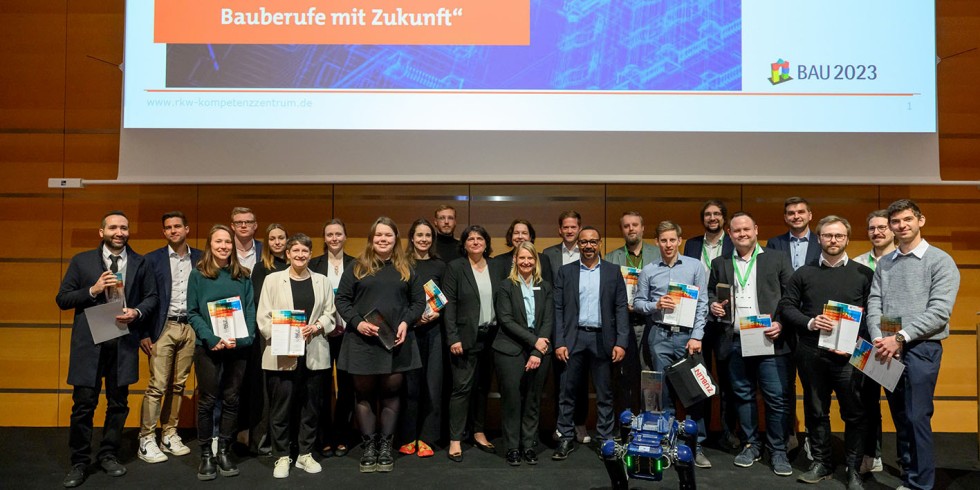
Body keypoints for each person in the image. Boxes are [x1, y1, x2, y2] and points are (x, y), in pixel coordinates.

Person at [57, 211, 158, 488]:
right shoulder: (82, 261)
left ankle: (109, 454)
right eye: (113, 227)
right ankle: (79, 462)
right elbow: (63, 299)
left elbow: (152, 297)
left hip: (123, 343)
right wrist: (93, 289)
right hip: (89, 345)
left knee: (118, 404)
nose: (119, 232)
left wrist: (136, 311)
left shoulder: (141, 262)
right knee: (83, 405)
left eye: (124, 228)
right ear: (101, 232)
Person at [867, 199, 960, 490]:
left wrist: (900, 338)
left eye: (907, 219)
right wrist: (878, 337)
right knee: (900, 417)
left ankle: (921, 484)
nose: (901, 225)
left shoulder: (940, 260)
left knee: (917, 416)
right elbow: (874, 302)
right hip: (886, 347)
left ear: (921, 220)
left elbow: (939, 312)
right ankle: (909, 476)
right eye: (895, 222)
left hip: (921, 349)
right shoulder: (886, 262)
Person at [777, 216, 872, 490]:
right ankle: (821, 463)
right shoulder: (803, 273)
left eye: (839, 236)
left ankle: (853, 470)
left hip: (848, 357)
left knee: (854, 413)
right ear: (819, 239)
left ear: (847, 239)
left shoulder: (863, 274)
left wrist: (858, 340)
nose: (833, 240)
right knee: (816, 411)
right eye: (828, 235)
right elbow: (786, 306)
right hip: (811, 355)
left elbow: (873, 313)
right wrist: (810, 321)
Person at [335, 217, 425, 473]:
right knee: (363, 395)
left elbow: (418, 302)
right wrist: (356, 323)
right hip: (361, 341)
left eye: (388, 235)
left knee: (391, 394)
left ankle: (386, 446)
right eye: (378, 236)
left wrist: (407, 322)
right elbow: (342, 300)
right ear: (371, 239)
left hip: (395, 341)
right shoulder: (357, 266)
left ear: (396, 239)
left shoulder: (406, 267)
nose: (383, 240)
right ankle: (369, 447)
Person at [707, 212, 794, 477]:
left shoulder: (777, 258)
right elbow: (713, 291)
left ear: (756, 229)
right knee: (742, 396)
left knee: (775, 398)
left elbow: (791, 297)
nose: (742, 234)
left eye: (746, 229)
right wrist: (713, 305)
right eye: (736, 230)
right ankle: (751, 444)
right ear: (729, 234)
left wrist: (781, 323)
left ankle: (777, 450)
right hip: (734, 339)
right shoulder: (720, 262)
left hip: (769, 339)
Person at [256, 233, 337, 478]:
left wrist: (317, 326)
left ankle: (305, 454)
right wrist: (284, 331)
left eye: (305, 251)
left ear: (310, 254)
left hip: (314, 352)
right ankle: (281, 456)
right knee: (281, 408)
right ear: (288, 254)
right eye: (296, 251)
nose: (300, 255)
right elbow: (263, 318)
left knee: (310, 407)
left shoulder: (322, 281)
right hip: (282, 353)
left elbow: (330, 314)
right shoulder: (272, 280)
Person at [633, 221, 711, 468]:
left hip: (688, 337)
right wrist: (655, 305)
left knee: (693, 393)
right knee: (663, 394)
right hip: (659, 336)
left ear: (679, 240)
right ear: (657, 242)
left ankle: (695, 446)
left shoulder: (695, 266)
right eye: (663, 240)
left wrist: (697, 336)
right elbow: (637, 303)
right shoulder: (648, 270)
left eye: (672, 240)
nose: (668, 245)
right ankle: (668, 445)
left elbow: (703, 304)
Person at [552, 226, 630, 460]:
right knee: (567, 392)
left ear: (599, 244)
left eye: (592, 242)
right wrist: (559, 341)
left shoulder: (612, 271)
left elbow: (620, 308)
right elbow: (558, 308)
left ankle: (605, 440)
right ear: (578, 244)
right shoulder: (565, 272)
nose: (587, 246)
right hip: (573, 339)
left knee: (605, 394)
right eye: (583, 242)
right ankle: (565, 437)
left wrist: (621, 342)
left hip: (602, 339)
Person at [187, 224, 257, 481]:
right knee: (207, 401)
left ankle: (224, 450)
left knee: (231, 399)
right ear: (210, 244)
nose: (224, 246)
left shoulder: (243, 275)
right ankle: (206, 454)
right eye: (218, 242)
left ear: (233, 245)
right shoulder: (199, 275)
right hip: (208, 347)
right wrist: (211, 338)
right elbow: (192, 312)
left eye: (227, 242)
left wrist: (245, 339)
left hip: (237, 348)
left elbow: (250, 310)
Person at [138, 211, 202, 465]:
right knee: (157, 385)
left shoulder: (201, 258)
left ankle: (169, 433)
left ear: (187, 229)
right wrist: (143, 332)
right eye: (168, 227)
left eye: (178, 226)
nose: (173, 230)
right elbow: (142, 297)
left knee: (179, 384)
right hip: (162, 328)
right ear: (164, 232)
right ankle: (146, 438)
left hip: (190, 326)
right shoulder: (151, 260)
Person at [444, 225, 506, 461]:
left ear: (486, 243)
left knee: (482, 388)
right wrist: (453, 337)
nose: (476, 242)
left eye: (480, 238)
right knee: (461, 389)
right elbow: (449, 304)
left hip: (492, 337)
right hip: (464, 338)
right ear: (464, 244)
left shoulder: (497, 266)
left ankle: (479, 433)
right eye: (471, 239)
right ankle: (455, 439)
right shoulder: (456, 267)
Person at [681, 200, 738, 450]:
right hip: (697, 319)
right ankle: (697, 433)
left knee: (728, 380)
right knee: (698, 378)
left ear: (724, 219)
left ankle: (728, 432)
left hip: (725, 320)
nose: (712, 218)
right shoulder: (692, 244)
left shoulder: (733, 241)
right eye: (707, 214)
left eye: (717, 214)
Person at [493, 242, 553, 466]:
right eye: (522, 258)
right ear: (515, 261)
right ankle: (512, 447)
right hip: (509, 349)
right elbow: (505, 320)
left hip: (539, 350)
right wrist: (534, 340)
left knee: (532, 400)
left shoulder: (545, 287)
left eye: (530, 258)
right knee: (511, 401)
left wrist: (538, 349)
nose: (526, 262)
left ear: (535, 261)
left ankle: (529, 446)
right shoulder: (505, 286)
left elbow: (548, 320)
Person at [603, 211, 661, 420]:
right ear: (622, 230)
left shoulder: (657, 255)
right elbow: (606, 294)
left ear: (642, 228)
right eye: (626, 225)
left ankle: (651, 422)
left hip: (651, 324)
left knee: (650, 374)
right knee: (623, 376)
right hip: (623, 325)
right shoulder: (611, 258)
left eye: (635, 225)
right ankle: (626, 422)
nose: (631, 229)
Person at [397, 218, 447, 458]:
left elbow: (446, 299)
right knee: (409, 385)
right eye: (419, 235)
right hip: (409, 332)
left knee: (432, 384)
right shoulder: (402, 264)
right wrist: (412, 319)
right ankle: (407, 436)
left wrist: (436, 313)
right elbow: (397, 298)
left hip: (434, 332)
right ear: (412, 237)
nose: (424, 239)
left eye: (428, 235)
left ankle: (427, 437)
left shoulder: (440, 265)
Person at [851, 209, 896, 475]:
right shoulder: (857, 263)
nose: (877, 232)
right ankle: (872, 453)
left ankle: (906, 460)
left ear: (892, 230)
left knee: (897, 402)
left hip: (894, 338)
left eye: (882, 227)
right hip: (863, 340)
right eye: (872, 228)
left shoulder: (900, 261)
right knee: (866, 400)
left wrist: (890, 337)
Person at [540, 210, 590, 444]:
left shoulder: (588, 251)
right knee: (561, 379)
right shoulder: (548, 254)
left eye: (574, 227)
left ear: (579, 229)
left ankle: (580, 424)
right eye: (566, 227)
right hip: (559, 321)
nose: (570, 231)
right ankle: (562, 426)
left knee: (581, 379)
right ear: (560, 230)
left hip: (586, 322)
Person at [309, 219, 357, 457]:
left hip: (350, 335)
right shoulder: (314, 264)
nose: (334, 238)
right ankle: (324, 436)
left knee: (347, 387)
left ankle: (343, 436)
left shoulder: (357, 264)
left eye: (339, 233)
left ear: (345, 236)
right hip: (322, 334)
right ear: (324, 238)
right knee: (321, 386)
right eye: (330, 234)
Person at [244, 223, 288, 456]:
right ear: (267, 243)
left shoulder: (298, 265)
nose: (278, 242)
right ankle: (263, 441)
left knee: (287, 389)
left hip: (293, 334)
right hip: (267, 335)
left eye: (281, 238)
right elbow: (259, 305)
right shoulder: (260, 269)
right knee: (265, 389)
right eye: (273, 239)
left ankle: (286, 439)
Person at [490, 219, 553, 284]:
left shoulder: (543, 259)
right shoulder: (499, 261)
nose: (520, 237)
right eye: (516, 233)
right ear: (511, 236)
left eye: (524, 233)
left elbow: (548, 287)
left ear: (530, 237)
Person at [766, 197, 820, 271]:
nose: (796, 216)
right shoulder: (774, 243)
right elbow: (770, 272)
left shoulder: (821, 242)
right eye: (791, 213)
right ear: (785, 218)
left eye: (801, 212)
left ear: (810, 216)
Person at [230, 207, 262, 271]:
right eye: (239, 222)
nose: (243, 226)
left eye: (248, 222)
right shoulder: (225, 248)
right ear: (233, 226)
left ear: (255, 226)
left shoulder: (264, 249)